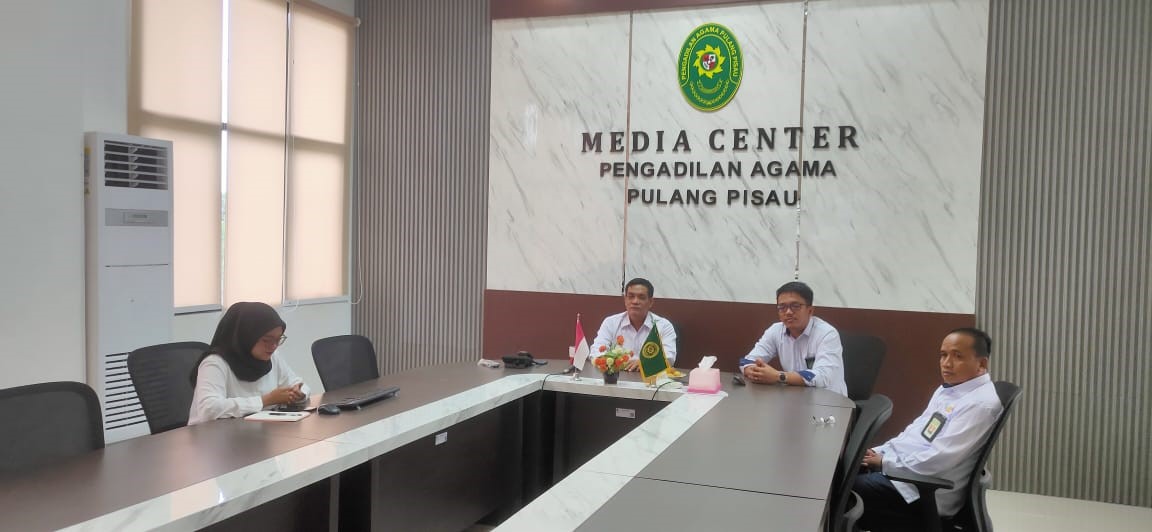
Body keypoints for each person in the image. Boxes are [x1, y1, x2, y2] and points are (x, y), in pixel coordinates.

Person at [854, 327, 1003, 531]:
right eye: (943, 355)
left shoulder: (979, 405)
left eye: (958, 356)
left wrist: (884, 463)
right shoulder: (950, 389)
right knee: (848, 469)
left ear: (982, 364)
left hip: (923, 491)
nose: (947, 363)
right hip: (910, 473)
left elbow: (939, 458)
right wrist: (880, 452)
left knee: (846, 489)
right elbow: (916, 434)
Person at [188, 302, 310, 425]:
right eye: (267, 340)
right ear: (247, 336)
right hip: (211, 434)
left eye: (278, 339)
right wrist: (265, 401)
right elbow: (209, 409)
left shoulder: (273, 357)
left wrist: (298, 394)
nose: (274, 346)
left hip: (256, 430)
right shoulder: (215, 363)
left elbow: (298, 384)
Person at [738, 281, 847, 395]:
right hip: (795, 398)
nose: (788, 312)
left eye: (795, 306)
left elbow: (823, 377)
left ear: (810, 310)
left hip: (829, 399)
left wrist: (778, 376)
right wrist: (754, 371)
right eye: (782, 307)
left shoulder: (827, 334)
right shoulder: (776, 330)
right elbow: (747, 361)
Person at [589, 278, 677, 370]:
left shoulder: (663, 326)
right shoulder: (611, 322)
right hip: (618, 375)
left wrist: (645, 363)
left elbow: (669, 357)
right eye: (631, 296)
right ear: (625, 300)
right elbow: (596, 351)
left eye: (641, 297)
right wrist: (616, 362)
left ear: (650, 302)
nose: (635, 301)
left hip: (650, 375)